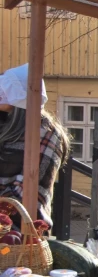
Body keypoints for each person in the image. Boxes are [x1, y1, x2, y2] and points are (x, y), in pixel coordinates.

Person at [0, 64, 70, 229]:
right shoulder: (4, 123)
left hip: (21, 231)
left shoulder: (47, 133)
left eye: (5, 90)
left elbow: (25, 192)